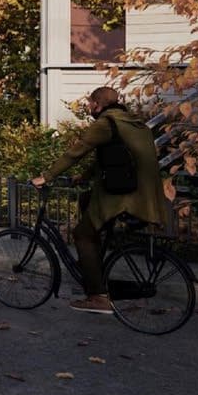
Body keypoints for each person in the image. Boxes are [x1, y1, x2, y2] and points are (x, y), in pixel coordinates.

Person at [31, 85, 168, 314]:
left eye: (90, 103)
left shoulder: (105, 123)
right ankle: (91, 261)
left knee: (81, 234)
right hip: (144, 193)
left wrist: (46, 177)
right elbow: (113, 157)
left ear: (98, 104)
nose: (88, 107)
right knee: (86, 199)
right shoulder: (132, 123)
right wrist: (83, 177)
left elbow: (77, 151)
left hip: (123, 194)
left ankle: (97, 297)